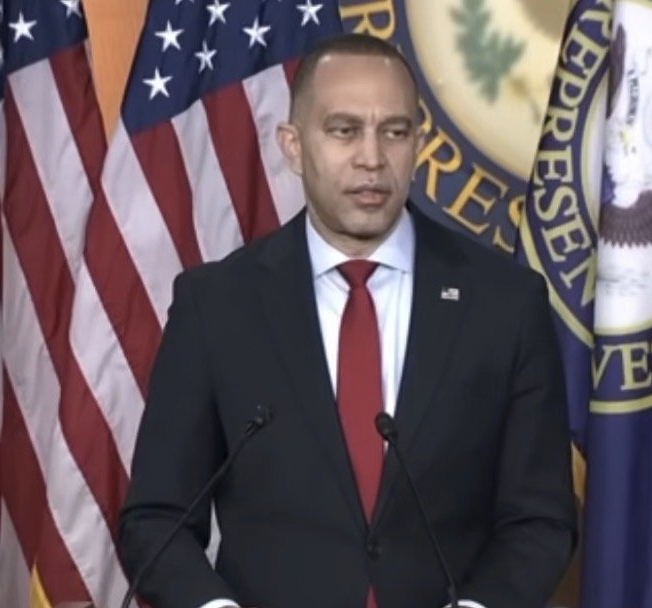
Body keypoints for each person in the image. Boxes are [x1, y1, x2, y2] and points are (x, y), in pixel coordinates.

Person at [117, 33, 576, 608]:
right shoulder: (216, 306)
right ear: (292, 145)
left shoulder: (506, 304)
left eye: (395, 131)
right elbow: (156, 517)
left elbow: (541, 519)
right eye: (343, 130)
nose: (371, 158)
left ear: (419, 143)